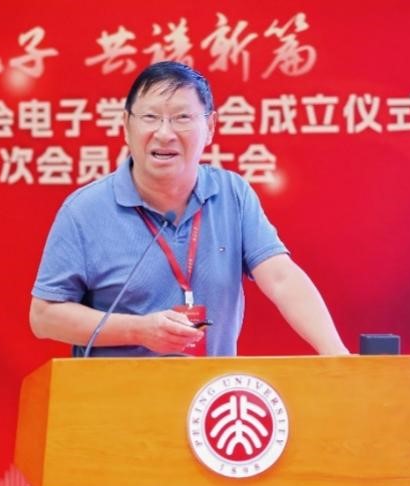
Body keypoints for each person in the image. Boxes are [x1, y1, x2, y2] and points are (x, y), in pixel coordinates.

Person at [29, 61, 349, 357]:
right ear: (126, 125)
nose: (164, 133)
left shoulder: (232, 195)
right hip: (117, 397)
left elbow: (281, 278)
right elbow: (43, 317)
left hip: (211, 397)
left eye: (182, 118)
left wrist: (338, 357)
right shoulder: (84, 211)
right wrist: (137, 330)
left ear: (210, 127)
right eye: (150, 117)